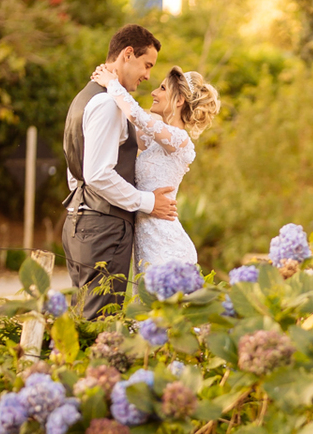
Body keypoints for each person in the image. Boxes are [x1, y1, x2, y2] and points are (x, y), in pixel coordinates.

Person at [60, 24, 178, 320]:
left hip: (82, 220)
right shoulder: (107, 104)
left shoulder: (85, 97)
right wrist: (149, 202)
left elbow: (77, 172)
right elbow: (98, 174)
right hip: (103, 228)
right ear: (128, 54)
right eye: (147, 64)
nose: (148, 75)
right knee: (99, 320)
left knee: (83, 318)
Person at [89, 62, 220, 269]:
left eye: (162, 88)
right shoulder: (156, 141)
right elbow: (131, 121)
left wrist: (113, 84)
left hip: (165, 245)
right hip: (147, 241)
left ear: (179, 100)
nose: (153, 92)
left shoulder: (180, 141)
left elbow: (135, 116)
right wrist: (112, 80)